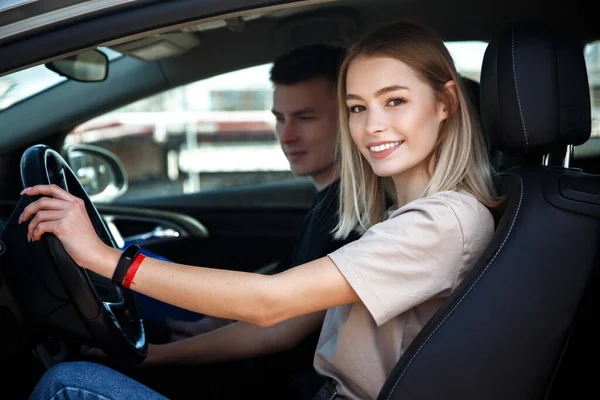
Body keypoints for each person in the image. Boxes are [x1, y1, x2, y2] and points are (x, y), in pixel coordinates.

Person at [25, 19, 499, 400]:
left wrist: (105, 259)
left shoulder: (441, 222)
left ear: (445, 103)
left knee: (66, 384)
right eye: (357, 107)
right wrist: (154, 356)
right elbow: (285, 315)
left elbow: (270, 305)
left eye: (394, 101)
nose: (373, 125)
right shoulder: (403, 216)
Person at [133, 44, 362, 341]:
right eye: (280, 118)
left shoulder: (355, 214)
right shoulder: (329, 203)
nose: (286, 136)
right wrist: (222, 319)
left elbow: (286, 327)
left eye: (305, 118)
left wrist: (156, 357)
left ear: (350, 118)